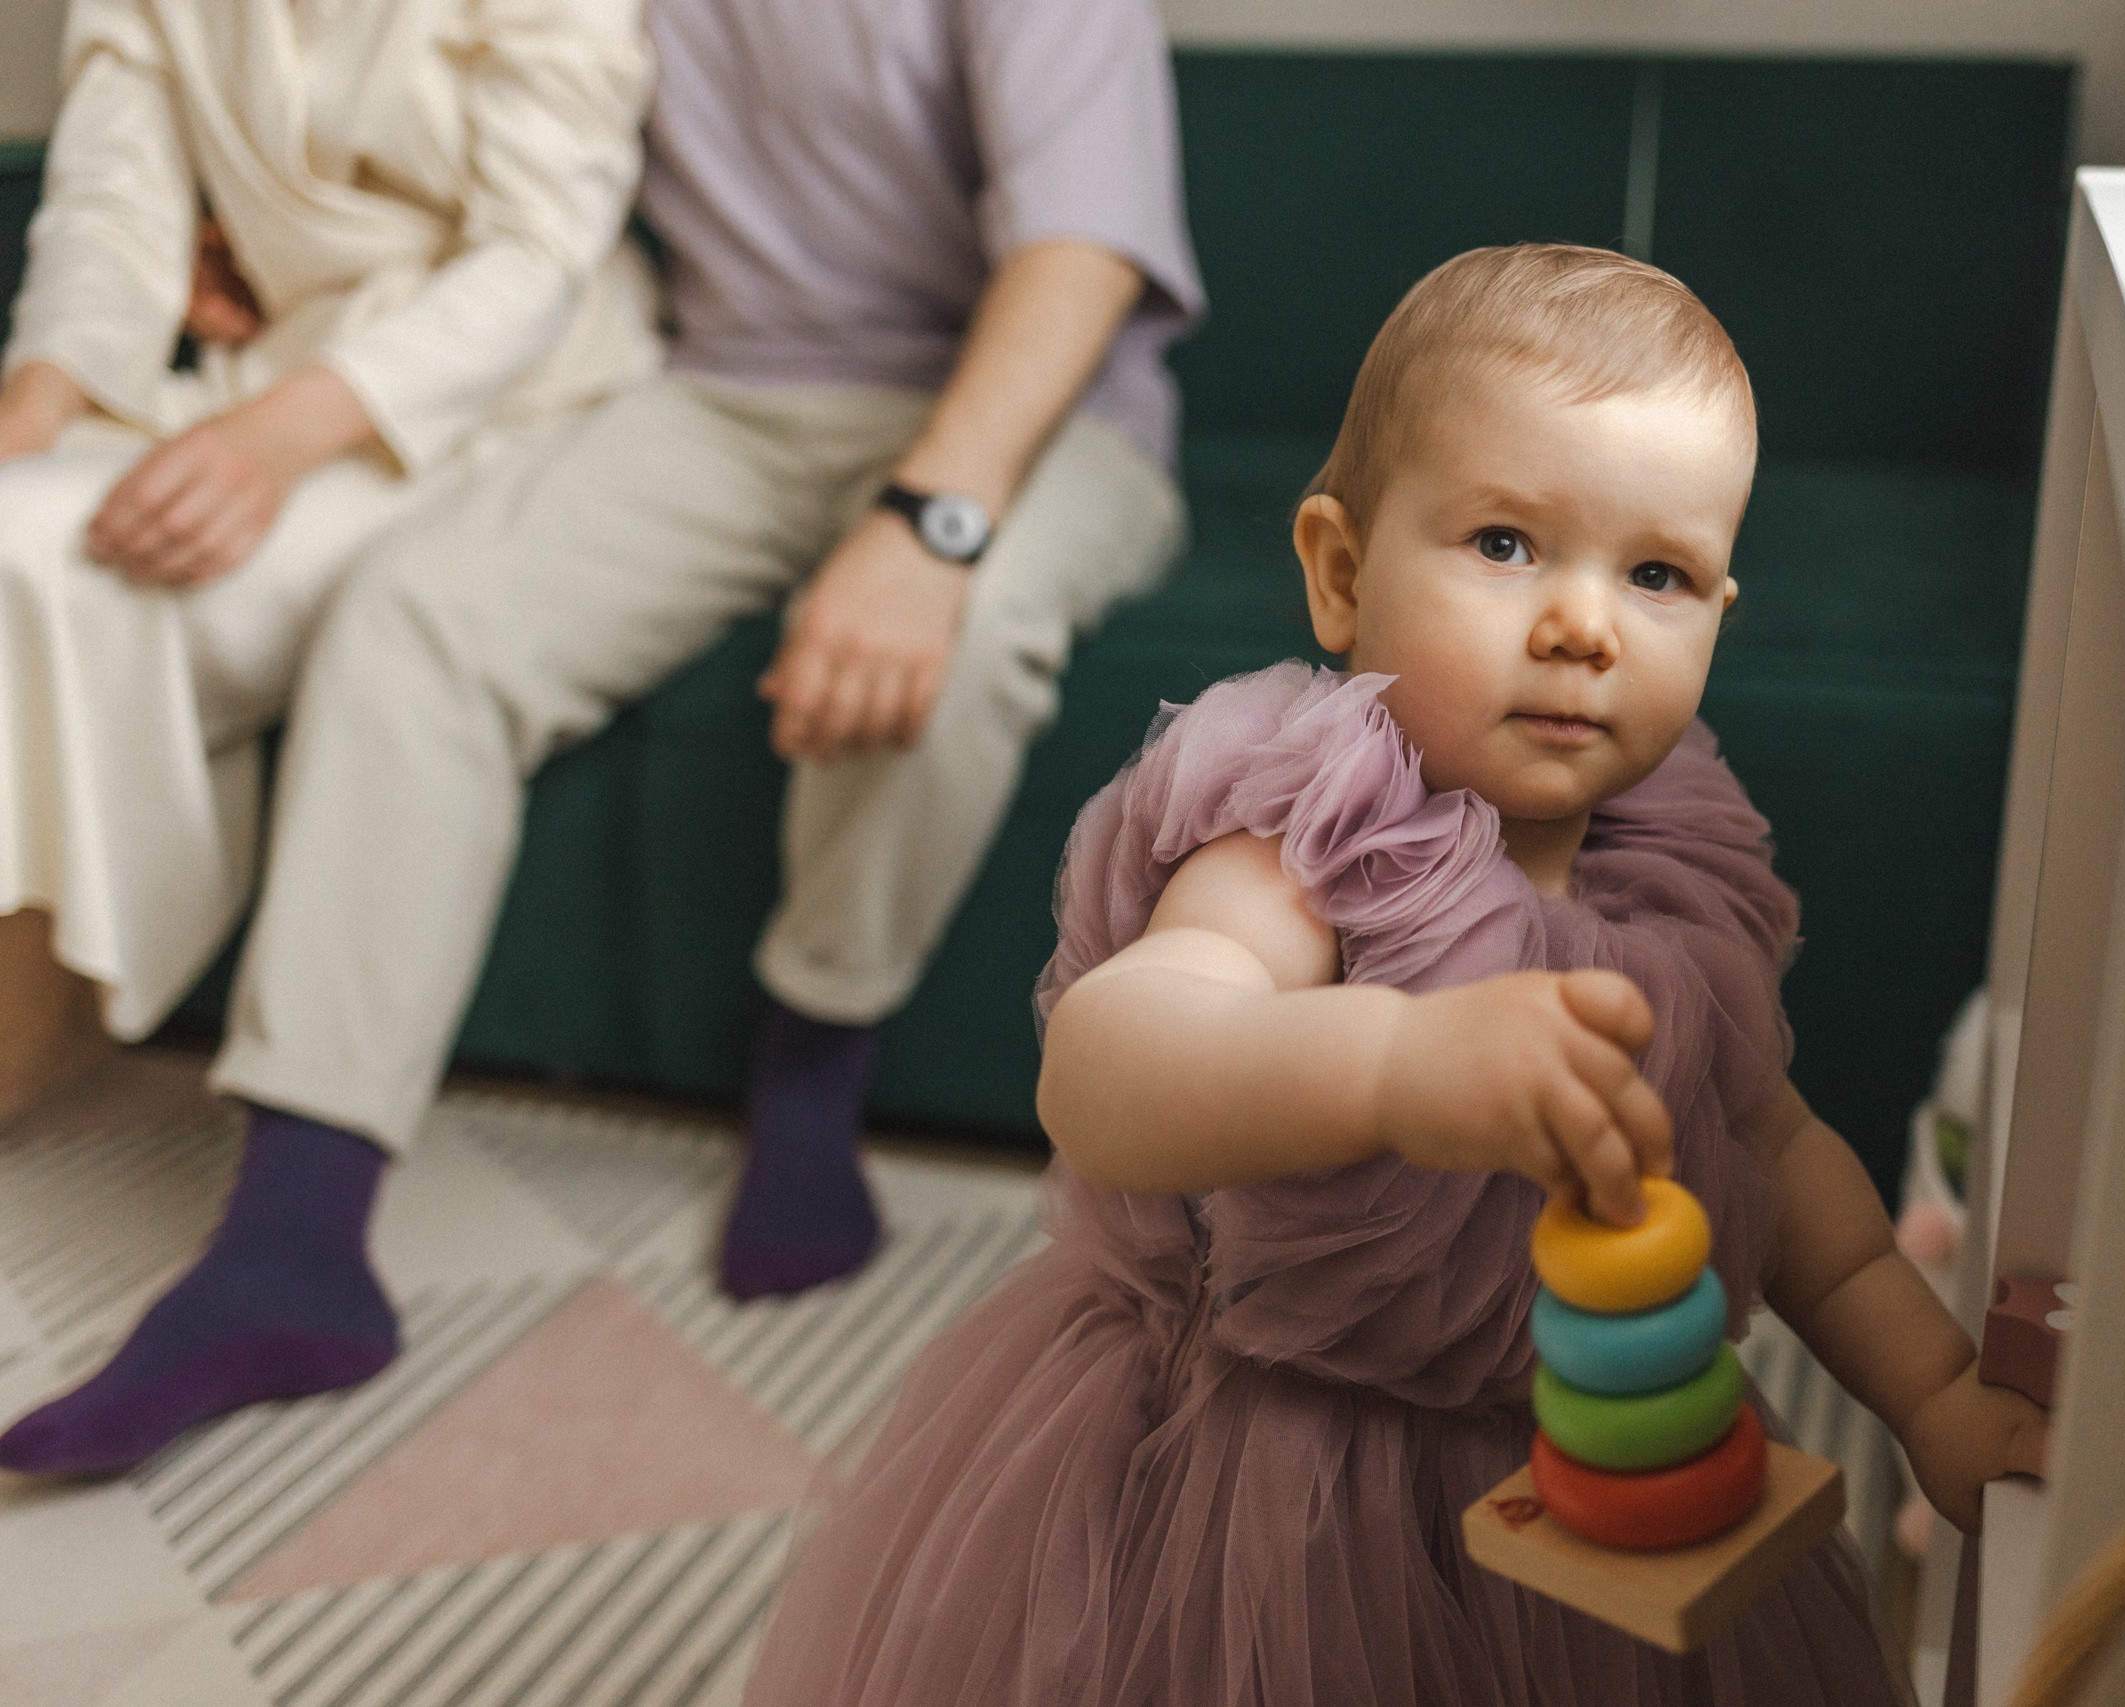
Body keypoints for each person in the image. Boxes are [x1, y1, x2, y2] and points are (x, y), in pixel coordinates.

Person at [741, 245, 2048, 1705]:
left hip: (1587, 1474)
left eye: (1659, 574)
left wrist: (1930, 1391)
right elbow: (1107, 1067)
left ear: (1718, 616)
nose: (1582, 624)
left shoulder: (1672, 877)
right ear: (1342, 571)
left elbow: (1778, 1156)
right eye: (1505, 544)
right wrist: (1391, 1066)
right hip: (1271, 1480)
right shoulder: (1316, 837)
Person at [0, 0, 1200, 1478]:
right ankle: (294, 1244)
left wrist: (927, 526)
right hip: (721, 398)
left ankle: (814, 1059)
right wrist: (244, 241)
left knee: (956, 643)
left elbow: (1078, 257)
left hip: (1040, 415)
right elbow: (475, 134)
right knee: (414, 618)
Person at [0, 0, 657, 1473]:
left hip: (491, 411)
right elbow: (112, 203)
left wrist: (278, 438)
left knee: (66, 580)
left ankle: (270, 1241)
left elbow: (539, 256)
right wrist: (35, 408)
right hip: (253, 373)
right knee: (11, 535)